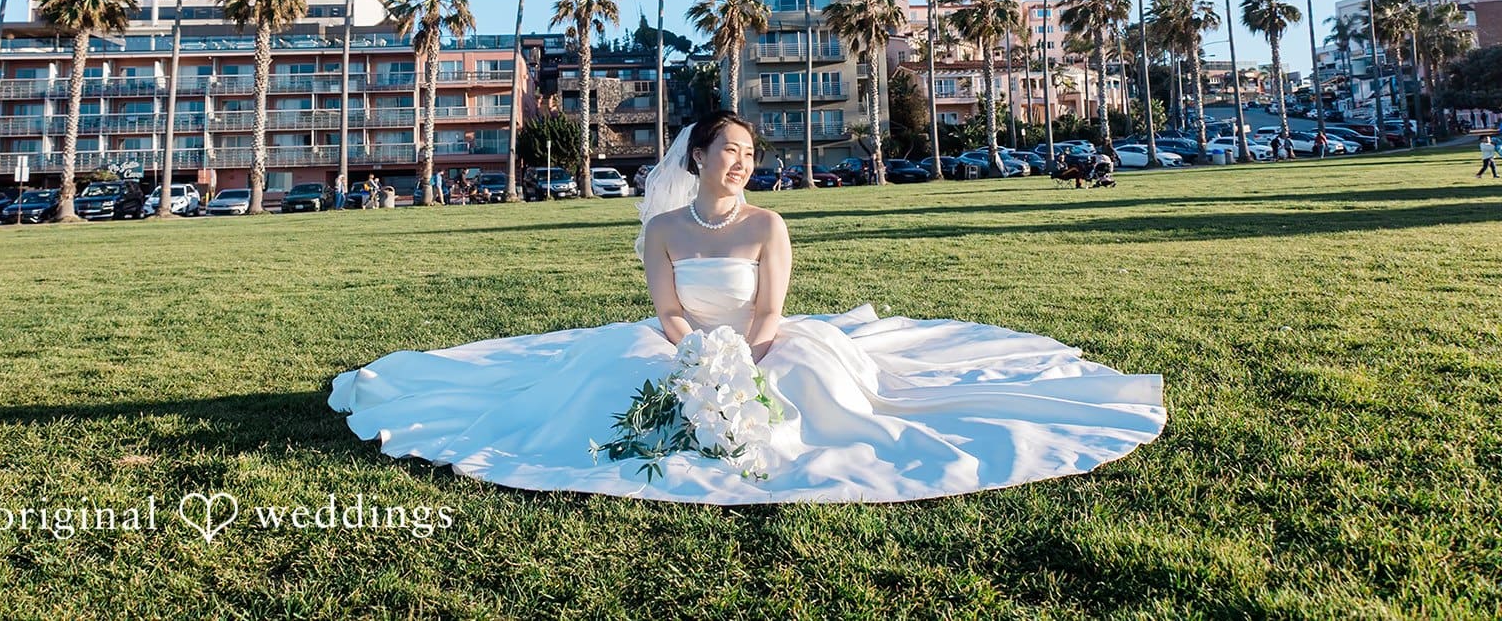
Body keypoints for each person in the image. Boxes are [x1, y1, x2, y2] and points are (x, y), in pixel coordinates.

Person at [328, 110, 1165, 504]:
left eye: (750, 152)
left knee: (819, 381)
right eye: (729, 149)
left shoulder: (770, 222)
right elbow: (665, 311)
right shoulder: (661, 226)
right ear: (698, 156)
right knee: (607, 378)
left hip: (763, 340)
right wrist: (697, 353)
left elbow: (770, 311)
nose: (741, 160)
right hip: (686, 342)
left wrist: (747, 354)